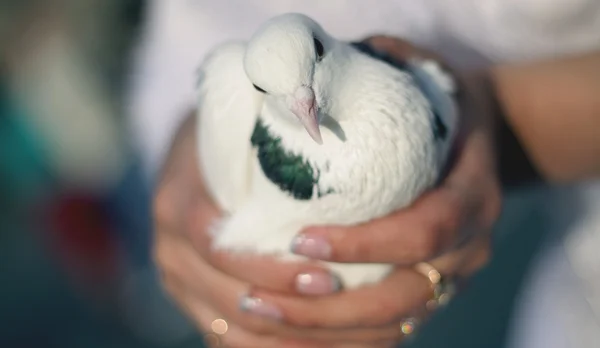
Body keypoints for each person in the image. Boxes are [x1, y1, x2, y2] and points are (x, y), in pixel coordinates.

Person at [127, 1, 600, 347]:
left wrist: (503, 123)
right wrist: (192, 148)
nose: (306, 105)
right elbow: (202, 34)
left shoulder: (419, 87)